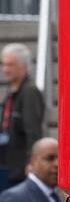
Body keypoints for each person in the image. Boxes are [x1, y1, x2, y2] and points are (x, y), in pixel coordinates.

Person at [0, 44, 45, 188]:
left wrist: (32, 162)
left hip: (19, 169)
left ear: (23, 66)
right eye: (4, 64)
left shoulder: (29, 92)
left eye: (11, 65)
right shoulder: (10, 91)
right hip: (6, 163)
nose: (5, 69)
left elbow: (33, 132)